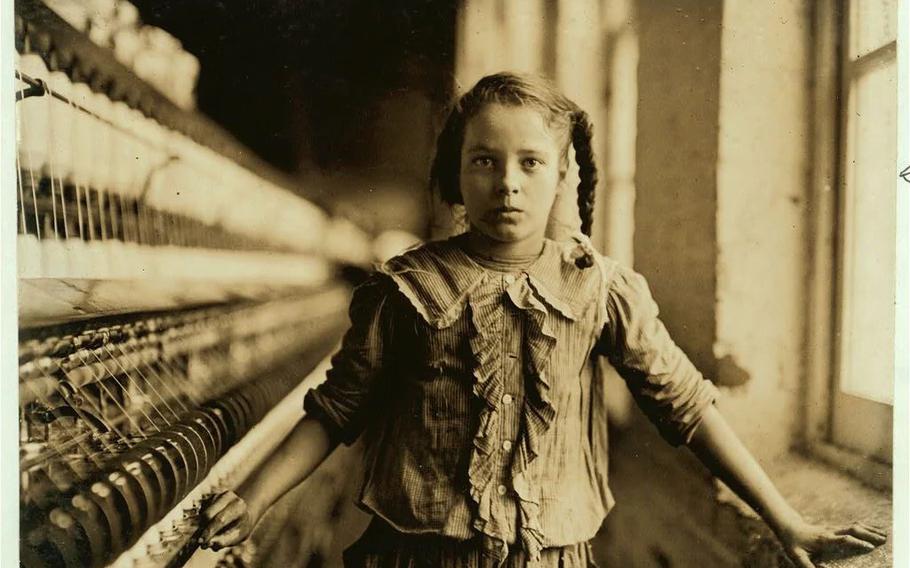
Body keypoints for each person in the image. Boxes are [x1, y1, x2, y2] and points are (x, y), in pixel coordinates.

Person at [197, 72, 887, 567]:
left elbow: (687, 406)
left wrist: (788, 521)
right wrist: (253, 501)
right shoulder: (404, 289)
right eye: (484, 162)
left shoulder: (601, 290)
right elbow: (335, 409)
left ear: (563, 176)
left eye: (531, 163)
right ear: (455, 176)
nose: (508, 183)